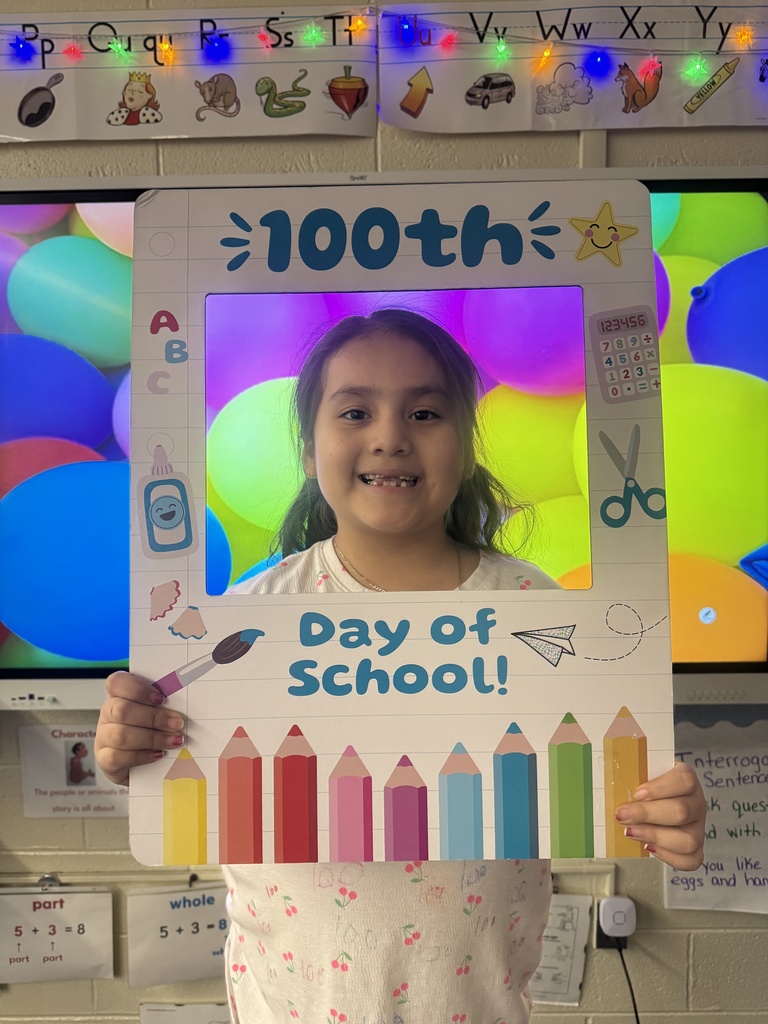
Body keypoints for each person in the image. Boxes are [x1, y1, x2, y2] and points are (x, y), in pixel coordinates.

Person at [96, 308, 705, 1024]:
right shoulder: (248, 621)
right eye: (355, 412)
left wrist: (665, 806)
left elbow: (611, 768)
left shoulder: (530, 606)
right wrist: (134, 750)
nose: (390, 437)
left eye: (424, 412)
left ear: (466, 446)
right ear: (309, 448)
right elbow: (178, 777)